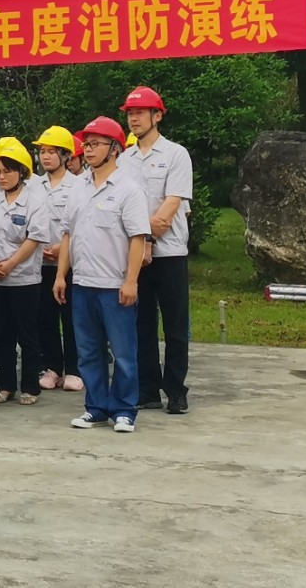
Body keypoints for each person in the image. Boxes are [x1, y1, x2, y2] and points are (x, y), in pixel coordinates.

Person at [55, 116, 150, 433]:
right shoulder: (77, 187)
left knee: (123, 353)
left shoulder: (129, 190)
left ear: (114, 149)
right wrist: (61, 275)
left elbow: (138, 238)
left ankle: (124, 409)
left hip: (114, 285)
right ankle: (95, 407)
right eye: (86, 144)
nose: (88, 149)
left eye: (96, 144)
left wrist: (131, 281)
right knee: (88, 352)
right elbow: (68, 234)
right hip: (83, 284)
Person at [120, 86, 194, 415]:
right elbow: (122, 209)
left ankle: (176, 390)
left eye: (140, 112)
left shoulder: (176, 154)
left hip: (170, 253)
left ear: (157, 115)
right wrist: (141, 239)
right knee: (142, 326)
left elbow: (170, 207)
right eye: (130, 113)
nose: (133, 118)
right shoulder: (124, 160)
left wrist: (146, 236)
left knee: (175, 327)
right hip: (136, 255)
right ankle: (147, 389)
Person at [0, 138, 53, 406]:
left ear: (22, 172)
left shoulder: (36, 202)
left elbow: (34, 239)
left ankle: (30, 386)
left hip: (24, 279)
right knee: (1, 334)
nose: (2, 177)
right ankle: (5, 385)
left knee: (27, 335)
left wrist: (11, 264)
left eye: (8, 171)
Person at [33, 126, 85, 393]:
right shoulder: (33, 185)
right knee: (45, 317)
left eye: (52, 152)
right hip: (40, 263)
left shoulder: (79, 185)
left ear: (66, 155)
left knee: (72, 318)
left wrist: (63, 248)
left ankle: (75, 369)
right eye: (42, 151)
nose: (46, 156)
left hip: (70, 263)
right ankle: (52, 366)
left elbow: (82, 225)